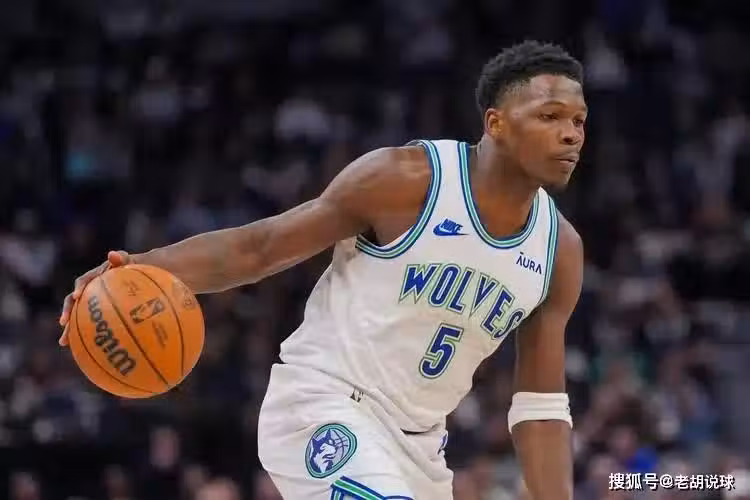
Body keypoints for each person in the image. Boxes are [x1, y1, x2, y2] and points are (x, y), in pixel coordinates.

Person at [58, 40, 587, 500]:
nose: (571, 135)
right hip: (323, 405)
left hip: (421, 449)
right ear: (496, 123)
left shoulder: (558, 250)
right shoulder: (406, 180)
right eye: (550, 116)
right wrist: (140, 266)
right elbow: (259, 248)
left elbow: (540, 408)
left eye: (578, 121)